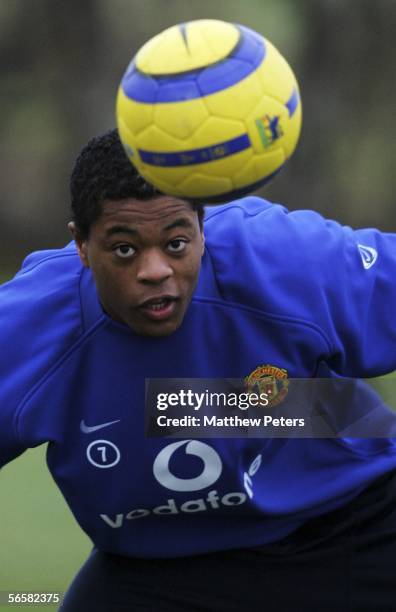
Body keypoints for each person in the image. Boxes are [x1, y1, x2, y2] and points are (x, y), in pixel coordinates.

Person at [1, 128, 396, 612]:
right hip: (159, 571)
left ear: (203, 229)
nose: (155, 270)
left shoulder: (281, 258)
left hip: (353, 527)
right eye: (125, 249)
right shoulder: (29, 326)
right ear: (81, 246)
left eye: (176, 243)